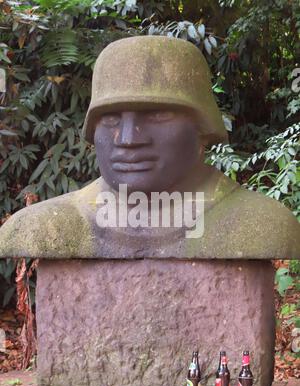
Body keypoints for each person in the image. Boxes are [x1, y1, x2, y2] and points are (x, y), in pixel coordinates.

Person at [0, 36, 299, 258]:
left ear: (203, 128)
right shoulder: (51, 227)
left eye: (158, 114)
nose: (128, 138)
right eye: (111, 117)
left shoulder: (258, 225)